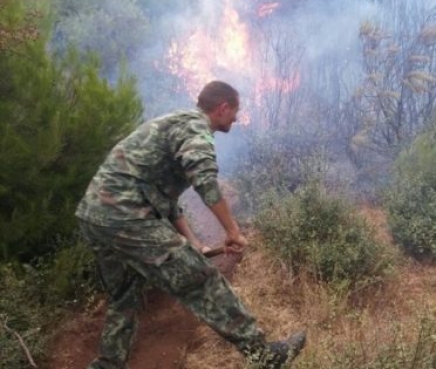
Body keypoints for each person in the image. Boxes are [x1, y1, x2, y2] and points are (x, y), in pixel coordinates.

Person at [75, 80, 305, 369]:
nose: (236, 117)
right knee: (202, 280)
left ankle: (107, 364)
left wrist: (193, 242)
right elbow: (205, 181)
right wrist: (233, 231)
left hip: (95, 215)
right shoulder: (197, 129)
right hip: (126, 216)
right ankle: (264, 356)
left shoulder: (175, 123)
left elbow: (165, 198)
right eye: (235, 110)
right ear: (222, 108)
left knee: (125, 294)